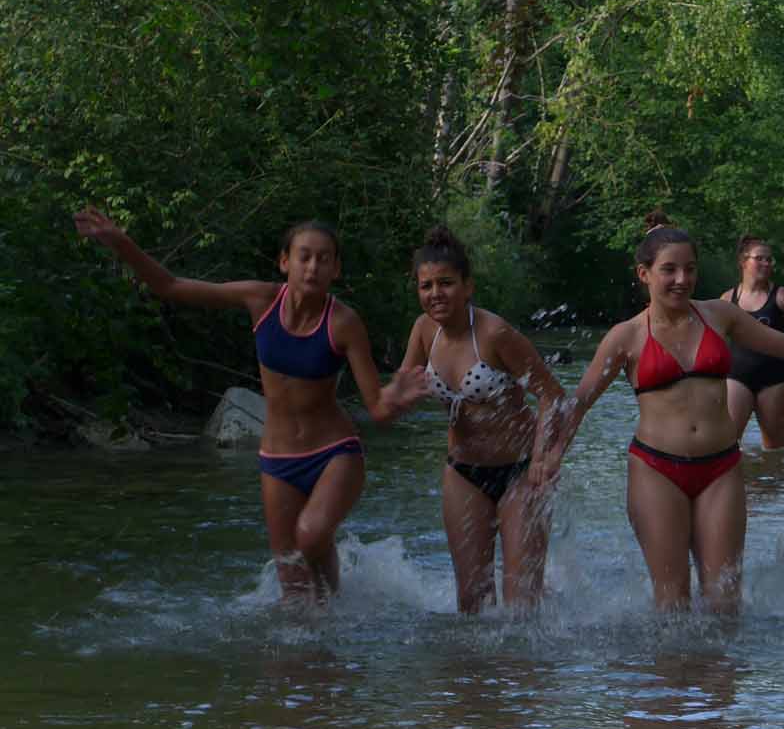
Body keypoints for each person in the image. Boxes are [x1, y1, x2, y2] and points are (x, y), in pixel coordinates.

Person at [540, 211, 784, 614]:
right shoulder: (625, 336)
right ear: (643, 274)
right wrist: (550, 455)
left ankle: (724, 658)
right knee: (672, 604)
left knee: (724, 603)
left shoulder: (719, 315)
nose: (682, 279)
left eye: (690, 269)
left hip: (720, 468)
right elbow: (579, 402)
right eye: (669, 270)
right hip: (655, 470)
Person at [73, 207, 426, 602]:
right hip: (277, 460)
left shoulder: (343, 322)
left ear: (336, 269)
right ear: (284, 262)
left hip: (335, 453)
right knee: (292, 584)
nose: (312, 267)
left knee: (311, 535)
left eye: (323, 259)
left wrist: (398, 398)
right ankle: (322, 628)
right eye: (304, 256)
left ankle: (333, 603)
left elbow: (377, 409)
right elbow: (170, 286)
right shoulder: (261, 299)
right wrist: (121, 242)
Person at [398, 226, 564, 614]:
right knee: (471, 603)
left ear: (467, 286)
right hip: (463, 471)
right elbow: (401, 387)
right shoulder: (423, 331)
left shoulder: (495, 334)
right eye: (426, 286)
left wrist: (543, 456)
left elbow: (552, 395)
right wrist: (397, 397)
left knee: (521, 605)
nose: (435, 293)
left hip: (520, 471)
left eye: (446, 283)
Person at [718, 235, 784, 449]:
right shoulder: (727, 299)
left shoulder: (781, 296)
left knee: (774, 449)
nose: (766, 263)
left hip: (774, 380)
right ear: (743, 261)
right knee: (726, 444)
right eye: (759, 258)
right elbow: (714, 343)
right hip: (736, 377)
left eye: (769, 259)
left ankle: (770, 474)